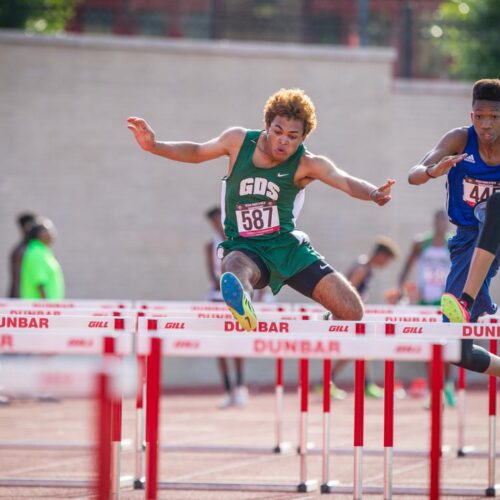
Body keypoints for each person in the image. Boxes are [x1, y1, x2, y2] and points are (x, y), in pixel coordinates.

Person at [127, 88, 394, 334]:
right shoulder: (237, 141)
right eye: (277, 131)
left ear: (303, 138)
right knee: (233, 266)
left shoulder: (307, 163)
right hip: (247, 248)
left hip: (288, 248)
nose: (282, 141)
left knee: (352, 312)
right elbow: (197, 151)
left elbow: (345, 181)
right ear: (267, 125)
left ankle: (328, 322)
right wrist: (155, 145)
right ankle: (243, 306)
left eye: (292, 137)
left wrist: (373, 193)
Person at [407, 78, 500, 377]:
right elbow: (413, 175)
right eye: (480, 117)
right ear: (471, 116)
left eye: (494, 117)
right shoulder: (460, 139)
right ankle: (475, 301)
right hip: (467, 241)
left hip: (497, 234)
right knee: (456, 350)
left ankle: (468, 299)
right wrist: (434, 170)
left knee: (495, 205)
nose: (486, 125)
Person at [324, 237, 400, 399]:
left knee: (361, 349)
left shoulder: (365, 267)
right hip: (346, 315)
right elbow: (347, 292)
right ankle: (326, 382)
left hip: (349, 315)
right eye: (386, 260)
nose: (386, 264)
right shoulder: (362, 269)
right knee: (356, 350)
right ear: (380, 255)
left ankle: (365, 384)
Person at [398, 209, 456, 406]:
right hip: (425, 302)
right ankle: (433, 390)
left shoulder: (453, 242)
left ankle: (447, 385)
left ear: (447, 223)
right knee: (428, 348)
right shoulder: (421, 243)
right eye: (438, 220)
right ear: (434, 222)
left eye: (444, 221)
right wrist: (402, 288)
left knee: (447, 346)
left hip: (446, 301)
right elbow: (406, 266)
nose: (441, 224)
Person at [205, 206, 248, 408]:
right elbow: (213, 277)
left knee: (237, 341)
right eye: (213, 221)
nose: (217, 224)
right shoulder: (209, 246)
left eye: (219, 220)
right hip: (216, 298)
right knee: (218, 344)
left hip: (236, 298)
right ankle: (228, 389)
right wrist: (223, 282)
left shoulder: (239, 241)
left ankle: (240, 386)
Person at [20, 219, 65, 299]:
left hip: (48, 309)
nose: (52, 234)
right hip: (40, 309)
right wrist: (46, 307)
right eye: (48, 231)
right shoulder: (36, 253)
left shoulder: (44, 252)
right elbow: (40, 283)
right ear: (39, 234)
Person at [7, 212, 37, 298]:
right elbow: (17, 280)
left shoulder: (32, 248)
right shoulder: (21, 251)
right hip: (20, 300)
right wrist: (17, 303)